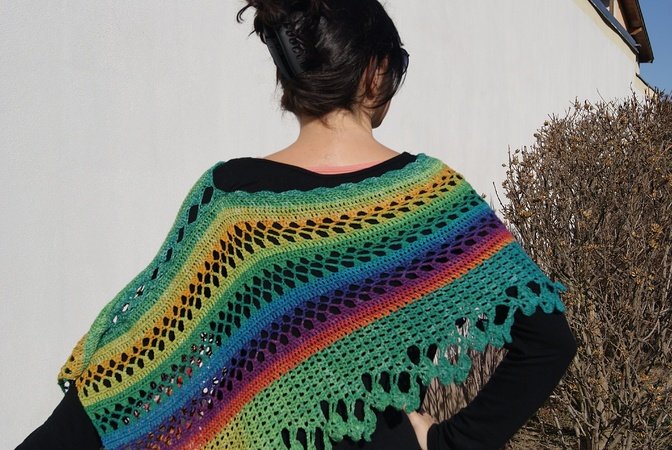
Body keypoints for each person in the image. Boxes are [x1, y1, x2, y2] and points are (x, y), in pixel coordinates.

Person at [17, 1, 577, 449]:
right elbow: (549, 342)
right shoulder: (431, 198)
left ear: (292, 81)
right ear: (376, 73)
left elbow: (139, 364)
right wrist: (453, 442)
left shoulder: (231, 201)